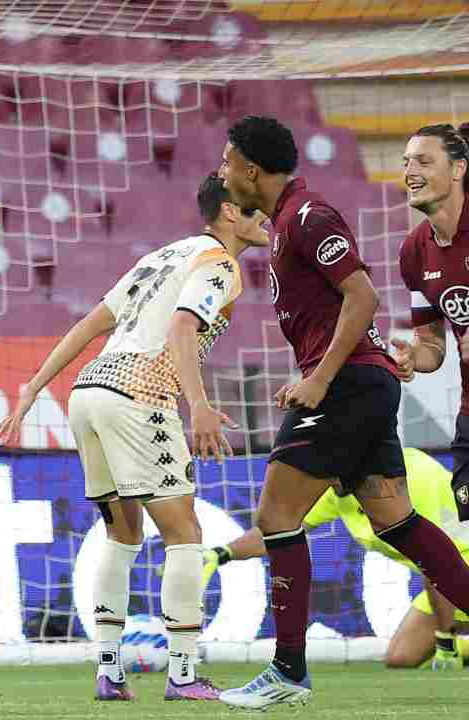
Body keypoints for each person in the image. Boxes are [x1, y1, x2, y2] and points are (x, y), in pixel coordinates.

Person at [215, 116, 469, 709]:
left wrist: (320, 379)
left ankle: (287, 671)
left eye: (229, 162)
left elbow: (362, 297)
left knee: (276, 514)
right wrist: (403, 357)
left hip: (349, 384)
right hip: (365, 380)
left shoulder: (309, 216)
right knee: (396, 521)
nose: (223, 172)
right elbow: (415, 333)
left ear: (252, 168)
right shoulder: (289, 226)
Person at [0, 173, 270, 702]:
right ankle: (185, 674)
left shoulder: (164, 256)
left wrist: (34, 387)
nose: (267, 221)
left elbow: (92, 324)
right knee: (184, 532)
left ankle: (108, 672)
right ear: (230, 214)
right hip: (139, 395)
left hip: (89, 391)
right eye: (258, 212)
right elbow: (182, 329)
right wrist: (201, 407)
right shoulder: (220, 264)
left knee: (122, 534)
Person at [203, 447, 469, 669]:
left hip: (455, 567)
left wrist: (446, 641)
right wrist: (221, 553)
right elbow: (278, 532)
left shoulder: (414, 479)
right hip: (440, 578)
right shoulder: (339, 486)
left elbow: (438, 562)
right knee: (401, 657)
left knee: (440, 591)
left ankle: (454, 641)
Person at [393, 122, 469, 517]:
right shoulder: (414, 253)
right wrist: (412, 358)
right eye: (406, 162)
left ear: (458, 169)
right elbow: (434, 346)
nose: (410, 171)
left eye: (424, 160)